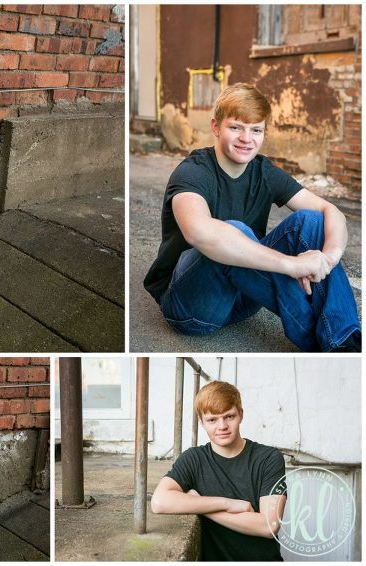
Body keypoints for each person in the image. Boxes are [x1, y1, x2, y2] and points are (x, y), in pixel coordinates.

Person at [143, 83, 360, 352]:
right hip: (192, 308)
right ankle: (323, 345)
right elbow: (199, 232)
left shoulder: (263, 171)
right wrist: (291, 265)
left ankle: (344, 340)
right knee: (231, 231)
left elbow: (332, 212)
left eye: (256, 130)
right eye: (236, 127)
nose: (247, 138)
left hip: (243, 299)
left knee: (312, 222)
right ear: (215, 127)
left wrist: (327, 259)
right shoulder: (193, 172)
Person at [150, 381, 286, 561]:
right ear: (201, 422)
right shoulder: (194, 459)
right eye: (212, 420)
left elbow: (269, 526)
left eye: (229, 416)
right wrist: (227, 504)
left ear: (241, 415)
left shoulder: (268, 458)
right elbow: (159, 502)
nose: (222, 426)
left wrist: (201, 506)